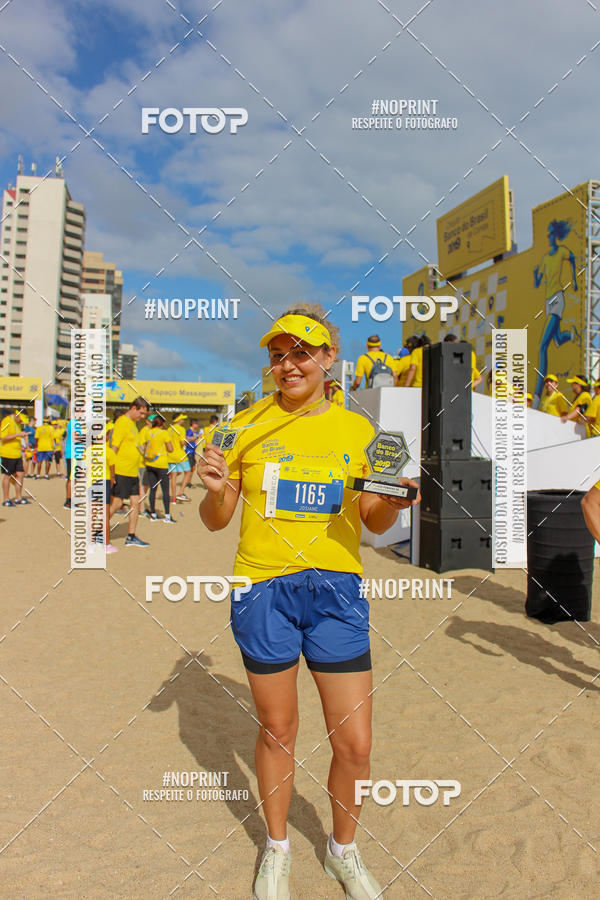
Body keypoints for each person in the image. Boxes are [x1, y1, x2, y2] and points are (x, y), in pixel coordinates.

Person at [198, 306, 420, 900]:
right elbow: (217, 522)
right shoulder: (240, 429)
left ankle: (342, 852)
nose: (288, 364)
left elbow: (372, 518)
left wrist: (395, 502)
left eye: (302, 352)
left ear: (328, 361)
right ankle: (277, 849)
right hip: (262, 588)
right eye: (277, 354)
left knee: (355, 743)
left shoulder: (364, 434)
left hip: (335, 591)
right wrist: (219, 492)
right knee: (278, 729)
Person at [532, 219, 579, 407]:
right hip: (547, 301)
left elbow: (573, 258)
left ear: (556, 234)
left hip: (557, 298)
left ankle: (536, 394)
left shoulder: (561, 251)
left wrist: (574, 280)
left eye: (552, 233)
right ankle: (571, 334)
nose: (550, 236)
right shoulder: (545, 258)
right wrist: (536, 275)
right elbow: (537, 282)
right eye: (548, 233)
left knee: (542, 346)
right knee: (558, 340)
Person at [109, 397, 150, 548]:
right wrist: (110, 472)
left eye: (144, 414)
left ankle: (131, 536)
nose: (143, 417)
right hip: (121, 470)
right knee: (116, 503)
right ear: (133, 408)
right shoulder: (122, 422)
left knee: (136, 503)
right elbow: (114, 447)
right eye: (141, 413)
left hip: (133, 472)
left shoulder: (133, 425)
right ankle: (98, 533)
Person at [145, 415, 175, 523]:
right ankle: (167, 515)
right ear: (162, 423)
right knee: (165, 491)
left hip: (149, 463)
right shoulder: (164, 433)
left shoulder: (148, 432)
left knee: (153, 489)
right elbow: (170, 449)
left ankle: (153, 514)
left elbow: (143, 446)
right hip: (161, 465)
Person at [0, 410, 29, 506]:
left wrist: (24, 438)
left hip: (17, 453)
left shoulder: (17, 423)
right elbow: (3, 438)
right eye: (21, 419)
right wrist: (18, 435)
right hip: (8, 453)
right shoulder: (6, 421)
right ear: (17, 415)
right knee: (7, 476)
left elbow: (18, 436)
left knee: (20, 474)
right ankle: (6, 499)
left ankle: (18, 498)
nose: (21, 421)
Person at [167, 413, 191, 502]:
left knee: (173, 476)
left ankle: (173, 498)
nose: (183, 421)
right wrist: (188, 440)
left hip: (170, 455)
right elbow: (182, 443)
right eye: (182, 419)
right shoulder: (181, 429)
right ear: (178, 420)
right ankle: (180, 493)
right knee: (188, 472)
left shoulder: (169, 429)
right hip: (180, 455)